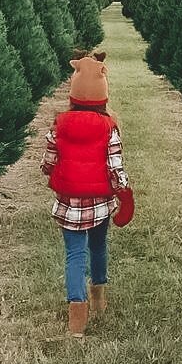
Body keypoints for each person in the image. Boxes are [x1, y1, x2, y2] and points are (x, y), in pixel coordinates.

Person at [40, 50, 130, 337]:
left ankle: (77, 318)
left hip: (69, 204)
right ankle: (99, 298)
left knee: (74, 254)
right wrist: (124, 191)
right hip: (100, 203)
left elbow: (48, 162)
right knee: (98, 246)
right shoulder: (108, 127)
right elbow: (115, 167)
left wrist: (53, 172)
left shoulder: (59, 125)